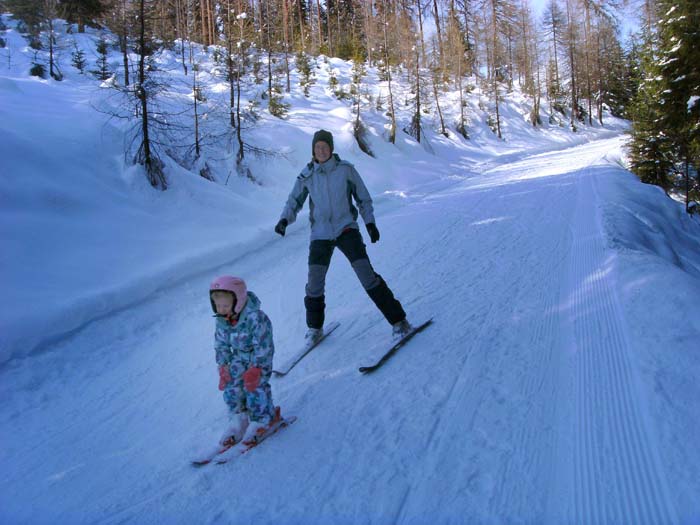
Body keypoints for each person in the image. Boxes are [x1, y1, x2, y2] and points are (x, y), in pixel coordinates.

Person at [274, 129, 412, 347]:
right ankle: (314, 329)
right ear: (313, 150)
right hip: (320, 234)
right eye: (317, 147)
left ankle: (399, 321)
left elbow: (363, 198)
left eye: (325, 146)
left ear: (331, 149)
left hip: (346, 230)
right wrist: (284, 220)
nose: (321, 150)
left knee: (367, 276)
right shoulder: (307, 174)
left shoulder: (346, 170)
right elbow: (294, 201)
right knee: (314, 284)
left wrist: (370, 223)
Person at [209, 275, 280, 446]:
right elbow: (221, 344)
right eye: (217, 305)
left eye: (225, 305)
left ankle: (264, 419)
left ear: (238, 300)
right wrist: (223, 366)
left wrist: (256, 368)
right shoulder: (222, 320)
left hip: (258, 360)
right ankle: (238, 419)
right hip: (238, 359)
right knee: (231, 385)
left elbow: (264, 344)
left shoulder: (256, 318)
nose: (221, 309)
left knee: (254, 386)